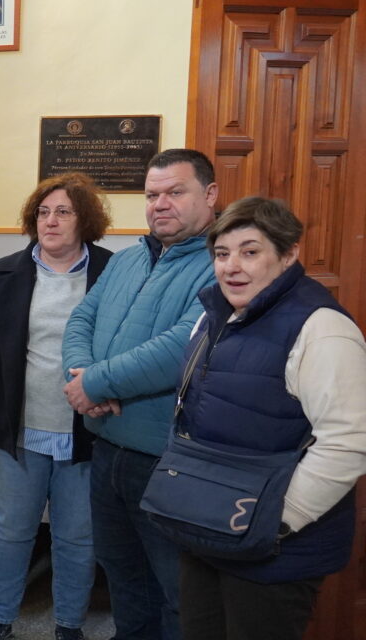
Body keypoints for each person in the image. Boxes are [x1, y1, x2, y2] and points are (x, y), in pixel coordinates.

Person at [171, 197, 366, 640]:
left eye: (250, 251)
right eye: (222, 254)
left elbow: (349, 442)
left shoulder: (322, 329)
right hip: (208, 528)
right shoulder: (213, 315)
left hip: (273, 549)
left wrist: (274, 521)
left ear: (289, 254)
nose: (232, 267)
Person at [61, 149, 220, 640]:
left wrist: (94, 384)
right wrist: (82, 375)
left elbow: (180, 348)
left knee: (177, 590)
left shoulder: (222, 263)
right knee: (124, 577)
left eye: (175, 192)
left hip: (169, 459)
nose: (160, 204)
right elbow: (81, 320)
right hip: (108, 450)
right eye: (152, 195)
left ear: (210, 195)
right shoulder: (127, 259)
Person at [0, 172, 114, 640]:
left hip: (87, 432)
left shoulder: (113, 273)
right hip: (19, 429)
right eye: (43, 212)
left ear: (85, 220)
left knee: (77, 536)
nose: (51, 221)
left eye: (63, 212)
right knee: (10, 530)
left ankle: (69, 625)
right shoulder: (4, 275)